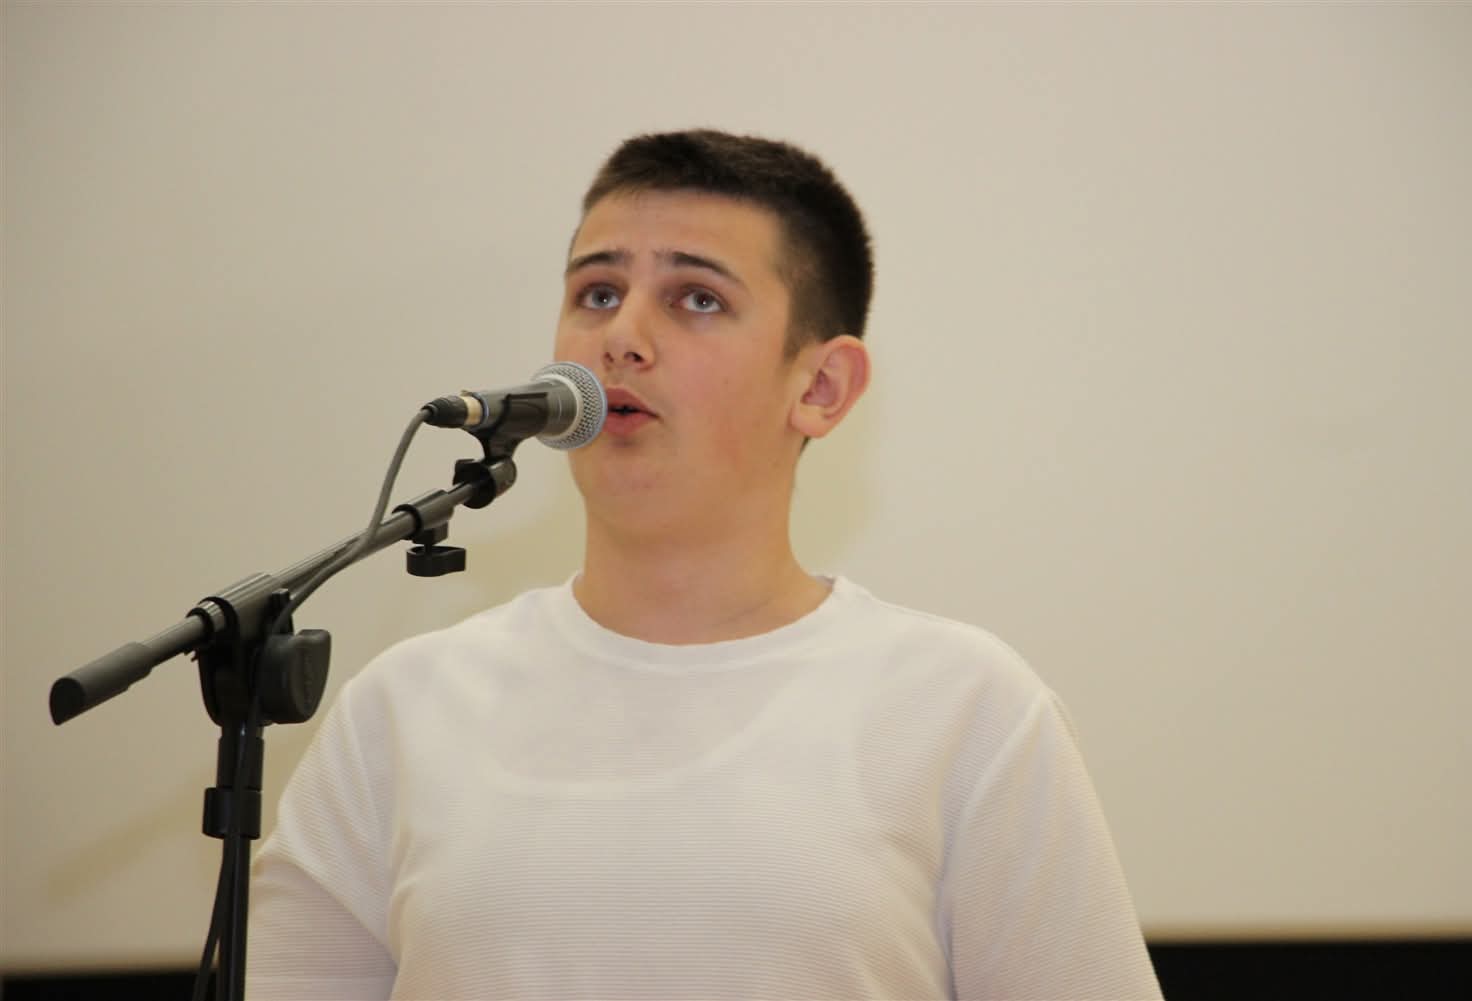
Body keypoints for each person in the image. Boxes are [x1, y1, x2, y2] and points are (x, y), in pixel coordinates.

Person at [247, 129, 1162, 1000]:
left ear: (820, 386)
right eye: (597, 292)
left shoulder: (966, 709)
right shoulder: (400, 710)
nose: (621, 336)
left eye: (696, 299)